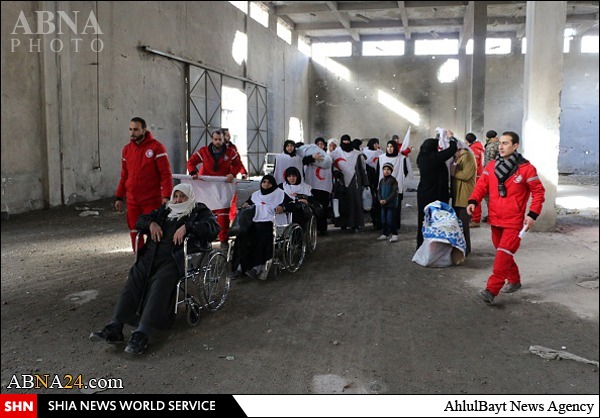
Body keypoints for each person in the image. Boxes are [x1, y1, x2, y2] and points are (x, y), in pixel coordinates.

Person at [90, 183, 220, 354]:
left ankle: (142, 331)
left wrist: (188, 227)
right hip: (153, 255)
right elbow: (140, 220)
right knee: (135, 276)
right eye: (176, 196)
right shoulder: (165, 210)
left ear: (190, 198)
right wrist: (151, 223)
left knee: (160, 282)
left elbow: (213, 229)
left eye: (183, 196)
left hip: (176, 257)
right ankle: (115, 326)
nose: (178, 199)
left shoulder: (199, 211)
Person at [467, 131, 545, 306]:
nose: (501, 147)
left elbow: (539, 192)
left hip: (514, 221)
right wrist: (473, 200)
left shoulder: (526, 169)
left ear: (515, 146)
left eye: (506, 143)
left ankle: (491, 290)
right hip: (495, 219)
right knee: (503, 252)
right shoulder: (492, 167)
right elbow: (481, 186)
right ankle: (515, 280)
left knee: (503, 254)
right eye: (500, 143)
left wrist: (532, 214)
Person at [115, 117, 173, 252]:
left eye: (136, 129)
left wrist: (166, 196)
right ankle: (139, 263)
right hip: (132, 201)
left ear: (144, 130)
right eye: (130, 129)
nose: (132, 133)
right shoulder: (126, 150)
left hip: (151, 200)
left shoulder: (157, 148)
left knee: (154, 233)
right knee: (134, 231)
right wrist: (119, 197)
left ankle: (153, 263)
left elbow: (165, 174)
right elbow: (124, 175)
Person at [186, 129, 244, 250]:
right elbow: (191, 162)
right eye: (215, 139)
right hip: (206, 187)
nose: (217, 142)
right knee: (205, 212)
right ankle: (204, 239)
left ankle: (223, 241)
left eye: (220, 139)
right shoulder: (203, 151)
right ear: (212, 139)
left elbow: (238, 164)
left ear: (223, 140)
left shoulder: (230, 152)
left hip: (223, 186)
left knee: (223, 214)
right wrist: (193, 172)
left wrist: (232, 174)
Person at [231, 175, 293, 279]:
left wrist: (282, 206)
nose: (266, 184)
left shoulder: (280, 194)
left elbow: (292, 204)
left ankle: (257, 267)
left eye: (269, 182)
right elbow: (247, 203)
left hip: (271, 222)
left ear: (273, 184)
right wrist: (245, 204)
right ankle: (240, 266)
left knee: (261, 237)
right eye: (264, 182)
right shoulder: (256, 194)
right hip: (254, 222)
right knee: (243, 237)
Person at [416, 131, 458, 249]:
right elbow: (451, 150)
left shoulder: (422, 157)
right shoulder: (434, 158)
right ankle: (434, 248)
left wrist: (438, 137)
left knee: (423, 220)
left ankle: (421, 246)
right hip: (434, 195)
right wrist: (451, 138)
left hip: (423, 193)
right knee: (437, 221)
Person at [330, 134, 369, 232]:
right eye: (344, 141)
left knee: (354, 202)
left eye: (348, 141)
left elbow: (362, 169)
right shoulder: (335, 153)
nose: (346, 143)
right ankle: (343, 223)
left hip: (354, 182)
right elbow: (330, 165)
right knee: (342, 203)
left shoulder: (357, 154)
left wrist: (366, 182)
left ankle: (355, 224)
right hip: (340, 182)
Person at [450, 143, 477, 256]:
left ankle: (466, 248)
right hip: (458, 196)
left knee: (463, 224)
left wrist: (453, 171)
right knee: (458, 224)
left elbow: (465, 175)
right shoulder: (460, 157)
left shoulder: (468, 157)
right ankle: (460, 247)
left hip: (465, 196)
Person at [377, 140, 409, 232]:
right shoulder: (381, 158)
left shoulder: (401, 158)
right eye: (388, 146)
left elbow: (405, 171)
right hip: (383, 187)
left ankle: (394, 227)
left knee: (395, 208)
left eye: (392, 147)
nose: (389, 149)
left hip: (396, 188)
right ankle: (384, 227)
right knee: (383, 209)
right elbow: (378, 172)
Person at [302, 137, 332, 236]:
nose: (320, 146)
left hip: (324, 187)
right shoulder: (309, 157)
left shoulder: (328, 158)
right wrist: (312, 157)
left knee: (322, 208)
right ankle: (313, 229)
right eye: (318, 144)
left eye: (322, 144)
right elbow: (302, 161)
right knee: (312, 208)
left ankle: (323, 229)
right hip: (312, 186)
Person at [221, 128, 248, 225]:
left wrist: (243, 172)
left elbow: (238, 162)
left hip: (231, 178)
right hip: (219, 179)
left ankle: (230, 222)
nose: (229, 137)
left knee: (232, 200)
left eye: (229, 135)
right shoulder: (214, 149)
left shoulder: (232, 148)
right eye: (227, 135)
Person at [363, 138, 383, 230]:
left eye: (377, 143)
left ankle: (379, 220)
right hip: (371, 180)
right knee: (373, 201)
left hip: (379, 178)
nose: (376, 145)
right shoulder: (366, 152)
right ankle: (374, 220)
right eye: (374, 144)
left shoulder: (380, 152)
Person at [377, 162, 399, 243]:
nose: (386, 171)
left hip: (391, 204)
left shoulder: (393, 180)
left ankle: (394, 234)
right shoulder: (382, 181)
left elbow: (394, 192)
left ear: (391, 171)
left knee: (390, 220)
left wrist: (387, 200)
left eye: (388, 169)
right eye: (384, 169)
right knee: (383, 220)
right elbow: (379, 191)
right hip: (383, 204)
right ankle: (385, 233)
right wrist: (380, 199)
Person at [466, 133, 484, 227]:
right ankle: (474, 217)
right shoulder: (478, 147)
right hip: (478, 175)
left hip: (476, 176)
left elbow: (474, 164)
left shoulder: (474, 149)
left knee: (475, 197)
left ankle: (476, 219)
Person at [482, 130, 500, 223]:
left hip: (491, 173)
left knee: (489, 195)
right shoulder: (499, 144)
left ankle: (493, 215)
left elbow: (489, 161)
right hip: (497, 173)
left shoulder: (491, 146)